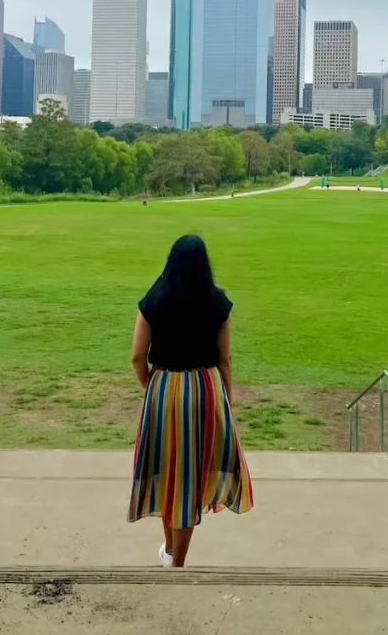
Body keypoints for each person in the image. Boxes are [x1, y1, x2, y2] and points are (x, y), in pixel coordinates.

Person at [127, 234, 253, 567]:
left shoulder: (154, 298)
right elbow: (225, 360)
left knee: (168, 472)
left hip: (164, 388)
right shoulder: (217, 302)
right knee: (190, 478)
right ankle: (174, 558)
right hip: (206, 390)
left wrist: (153, 389)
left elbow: (138, 356)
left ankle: (173, 556)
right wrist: (225, 400)